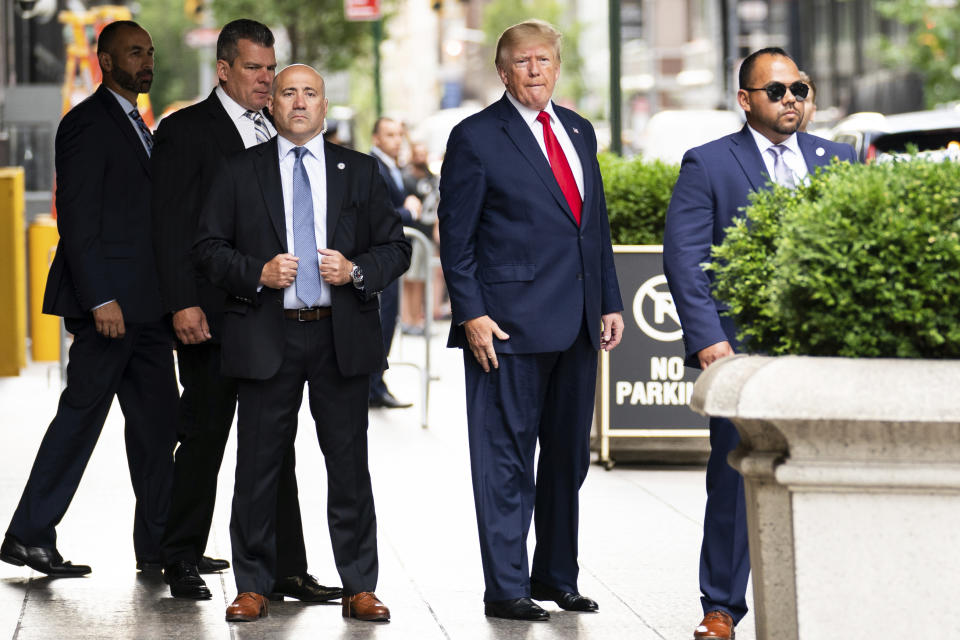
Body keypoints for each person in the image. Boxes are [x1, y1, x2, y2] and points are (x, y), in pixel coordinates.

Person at [193, 64, 410, 623]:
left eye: (309, 93)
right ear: (273, 104)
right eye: (287, 92)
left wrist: (356, 270)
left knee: (349, 465)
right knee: (259, 465)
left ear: (324, 103)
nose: (298, 102)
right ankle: (252, 585)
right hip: (268, 333)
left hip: (340, 336)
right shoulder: (241, 171)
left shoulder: (359, 171)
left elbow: (396, 249)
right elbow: (209, 247)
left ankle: (359, 584)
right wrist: (256, 272)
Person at [662, 47, 855, 640]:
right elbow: (686, 260)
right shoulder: (709, 163)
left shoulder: (839, 158)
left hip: (822, 349)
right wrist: (709, 341)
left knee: (830, 469)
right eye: (777, 91)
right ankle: (721, 606)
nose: (791, 99)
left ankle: (827, 595)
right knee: (733, 476)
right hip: (740, 348)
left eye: (799, 87)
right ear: (745, 100)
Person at [437, 19, 624, 622]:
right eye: (523, 61)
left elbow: (592, 228)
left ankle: (556, 575)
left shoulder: (578, 130)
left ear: (558, 66)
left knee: (567, 458)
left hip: (576, 324)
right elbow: (456, 239)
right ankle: (507, 586)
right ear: (503, 70)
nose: (535, 69)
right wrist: (471, 315)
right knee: (506, 461)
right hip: (506, 327)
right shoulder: (475, 137)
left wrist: (610, 301)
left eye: (544, 59)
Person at [151, 19, 341, 603]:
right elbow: (171, 224)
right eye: (254, 69)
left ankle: (286, 568)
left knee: (274, 444)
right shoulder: (185, 130)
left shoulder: (278, 131)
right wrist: (182, 302)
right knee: (205, 435)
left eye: (271, 67)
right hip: (210, 316)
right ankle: (178, 555)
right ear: (224, 69)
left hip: (271, 317)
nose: (267, 79)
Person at [0, 20, 179, 576]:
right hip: (110, 311)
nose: (145, 62)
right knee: (80, 420)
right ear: (104, 60)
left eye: (148, 53)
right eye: (133, 53)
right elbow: (76, 218)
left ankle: (161, 549)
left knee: (159, 429)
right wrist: (100, 298)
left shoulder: (140, 124)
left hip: (147, 311)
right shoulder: (86, 123)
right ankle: (28, 535)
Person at [368, 116, 418, 408]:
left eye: (399, 134)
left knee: (388, 321)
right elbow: (380, 215)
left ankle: (376, 384)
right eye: (389, 134)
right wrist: (409, 212)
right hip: (381, 258)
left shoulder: (392, 166)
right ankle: (374, 386)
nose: (396, 140)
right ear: (376, 138)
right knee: (382, 321)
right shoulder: (375, 165)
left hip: (391, 258)